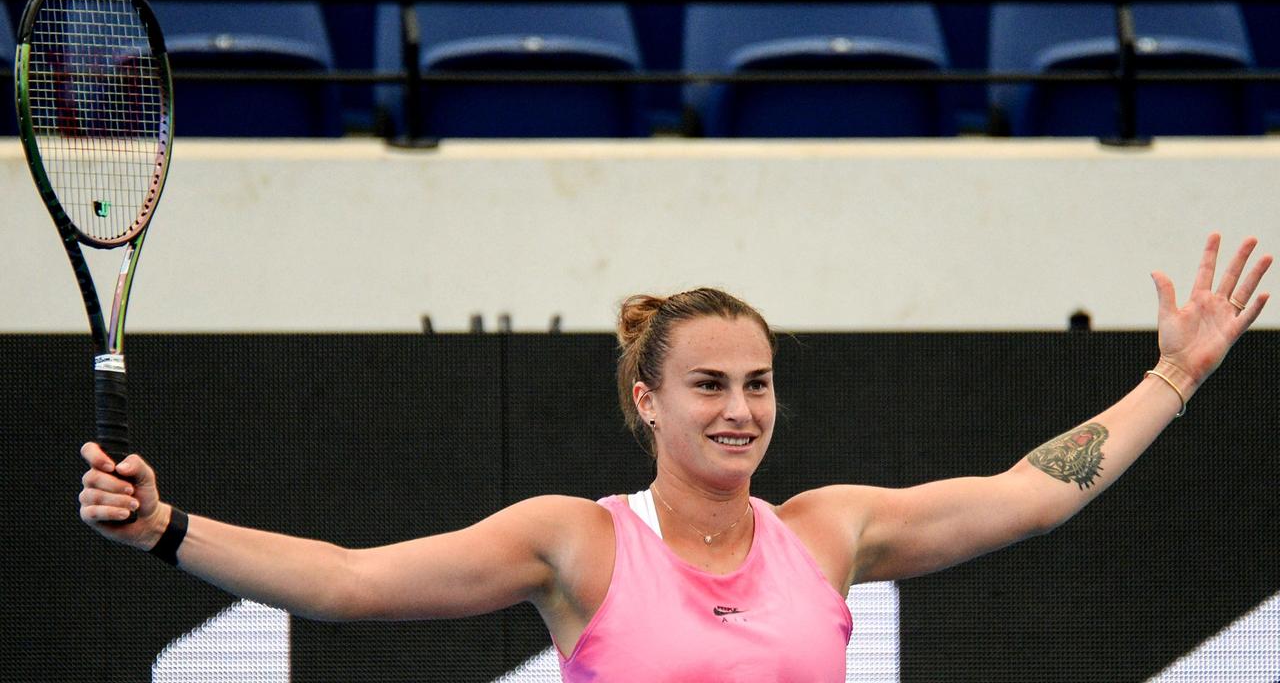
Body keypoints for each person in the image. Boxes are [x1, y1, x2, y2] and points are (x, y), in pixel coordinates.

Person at [79, 233, 1271, 681]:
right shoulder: (577, 542)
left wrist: (1172, 378)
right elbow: (346, 584)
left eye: (755, 385)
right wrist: (168, 529)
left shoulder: (828, 532)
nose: (739, 410)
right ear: (646, 402)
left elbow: (1026, 496)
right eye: (707, 386)